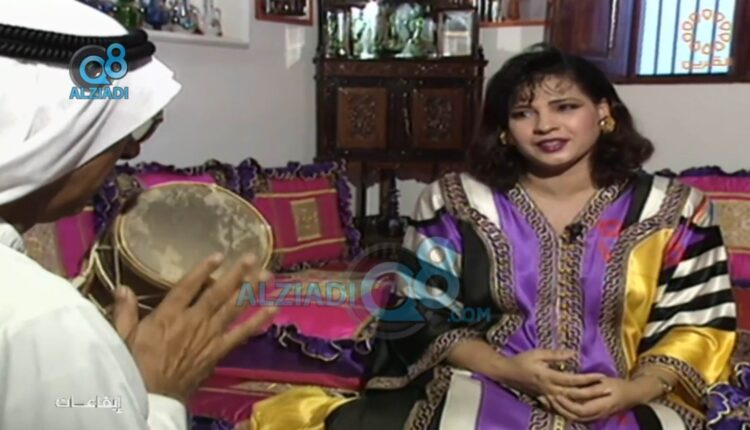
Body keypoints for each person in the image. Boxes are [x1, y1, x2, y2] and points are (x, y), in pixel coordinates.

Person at [248, 45, 738, 429]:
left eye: (566, 106)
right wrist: (508, 369)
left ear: (603, 112)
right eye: (523, 113)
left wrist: (633, 391)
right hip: (488, 386)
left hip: (626, 395)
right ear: (504, 129)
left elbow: (697, 324)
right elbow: (419, 311)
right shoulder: (456, 202)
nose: (545, 125)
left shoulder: (674, 210)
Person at [0, 1, 277, 428]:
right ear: (52, 130)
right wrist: (158, 393)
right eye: (121, 127)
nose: (131, 149)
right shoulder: (44, 321)